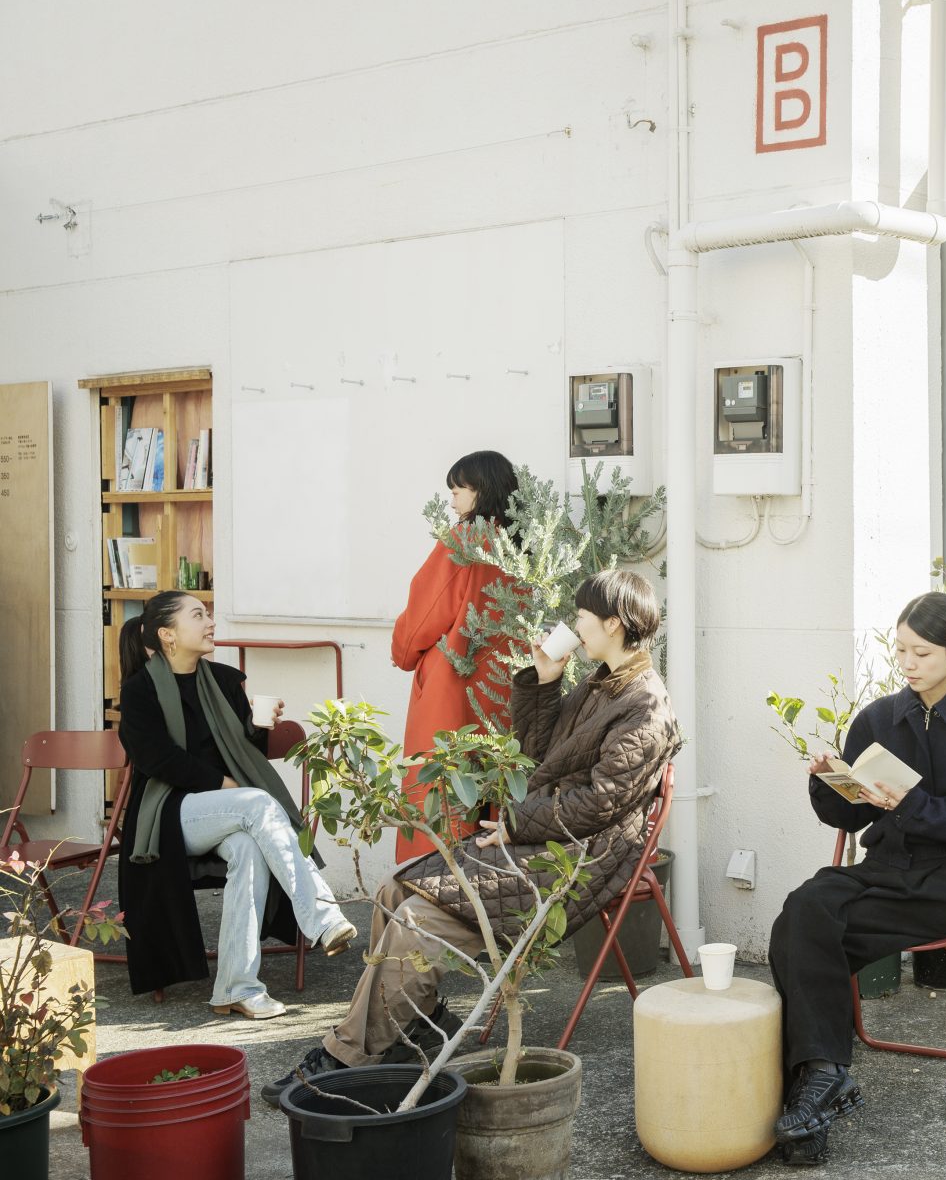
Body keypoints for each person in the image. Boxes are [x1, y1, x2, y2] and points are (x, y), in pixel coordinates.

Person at [265, 569, 681, 1105]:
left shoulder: (645, 704)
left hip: (580, 857)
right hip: (548, 836)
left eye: (582, 615)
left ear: (614, 625)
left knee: (416, 919)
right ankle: (417, 1023)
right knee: (393, 892)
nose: (573, 622)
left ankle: (347, 1057)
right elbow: (540, 759)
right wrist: (546, 680)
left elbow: (600, 804)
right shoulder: (602, 683)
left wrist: (514, 824)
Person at [767, 592, 946, 1165]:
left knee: (802, 940)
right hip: (878, 871)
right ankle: (824, 1081)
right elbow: (852, 816)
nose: (908, 664)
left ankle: (812, 1096)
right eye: (901, 650)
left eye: (923, 653)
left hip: (940, 887)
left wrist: (914, 804)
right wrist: (828, 782)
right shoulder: (879, 719)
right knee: (804, 908)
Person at [116, 591, 357, 1019]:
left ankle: (236, 987)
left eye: (208, 614)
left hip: (229, 809)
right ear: (168, 634)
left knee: (249, 849)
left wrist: (259, 725)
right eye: (198, 615)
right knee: (258, 804)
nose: (210, 622)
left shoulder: (226, 681)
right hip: (170, 815)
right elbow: (157, 759)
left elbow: (244, 749)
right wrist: (224, 784)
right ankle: (322, 917)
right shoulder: (140, 692)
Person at [390, 450, 521, 862]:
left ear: (479, 490)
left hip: (454, 688)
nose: (452, 500)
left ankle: (441, 891)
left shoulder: (466, 540)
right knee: (494, 787)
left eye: (457, 489)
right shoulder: (524, 544)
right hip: (503, 688)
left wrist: (403, 651)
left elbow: (425, 612)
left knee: (445, 792)